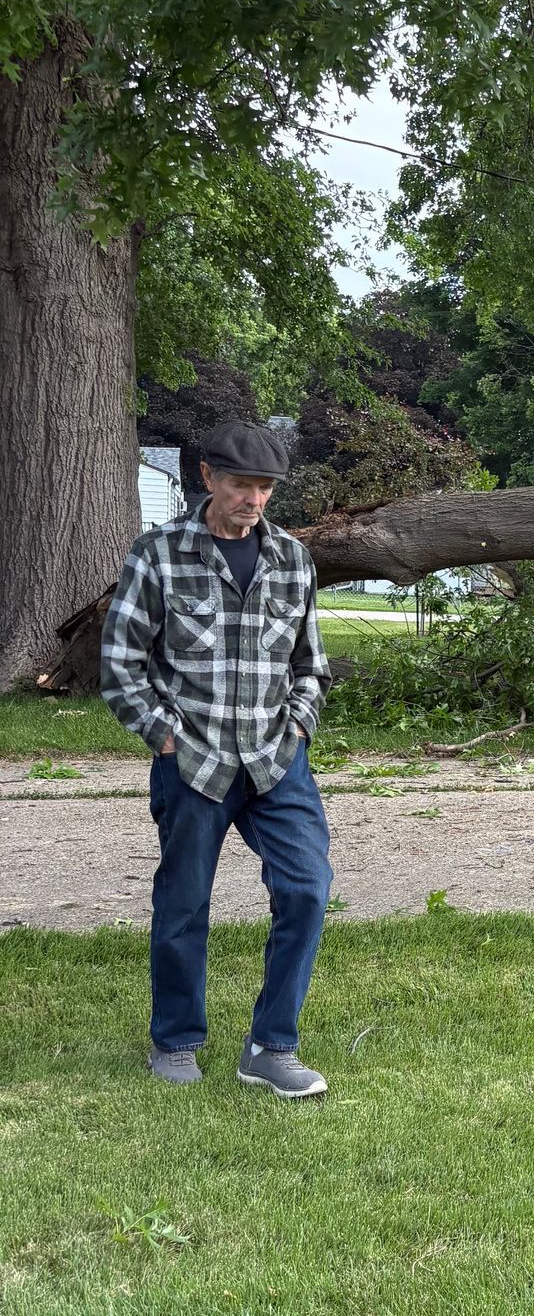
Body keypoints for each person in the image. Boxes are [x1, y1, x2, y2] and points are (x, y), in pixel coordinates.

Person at [100, 420, 333, 1096]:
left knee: (307, 890)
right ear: (208, 478)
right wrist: (163, 736)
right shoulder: (159, 553)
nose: (253, 500)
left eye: (265, 489)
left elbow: (311, 666)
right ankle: (175, 1042)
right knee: (183, 906)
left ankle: (271, 1046)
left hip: (274, 756)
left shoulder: (292, 559)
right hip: (193, 760)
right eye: (241, 485)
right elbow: (120, 661)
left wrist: (298, 728)